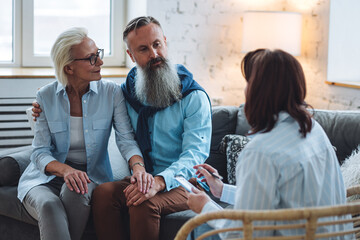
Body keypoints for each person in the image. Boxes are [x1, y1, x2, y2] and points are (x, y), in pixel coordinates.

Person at [187, 49, 351, 239]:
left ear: (257, 90)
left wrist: (205, 207)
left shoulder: (259, 151)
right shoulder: (314, 130)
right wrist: (222, 190)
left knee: (199, 229)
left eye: (249, 82)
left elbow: (243, 236)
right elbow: (274, 201)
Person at [18, 27, 151, 240]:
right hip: (44, 176)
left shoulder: (112, 93)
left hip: (91, 175)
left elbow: (126, 139)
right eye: (91, 58)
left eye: (98, 54)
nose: (100, 62)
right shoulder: (45, 96)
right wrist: (66, 170)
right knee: (49, 205)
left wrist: (138, 167)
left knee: (77, 191)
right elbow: (40, 152)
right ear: (69, 68)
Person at [91, 16, 212, 240]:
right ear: (131, 55)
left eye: (157, 44)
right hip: (144, 178)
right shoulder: (126, 94)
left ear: (165, 42)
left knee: (144, 203)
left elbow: (195, 155)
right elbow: (90, 109)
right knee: (103, 194)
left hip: (186, 181)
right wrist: (44, 108)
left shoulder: (194, 96)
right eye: (144, 49)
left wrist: (159, 181)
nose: (154, 54)